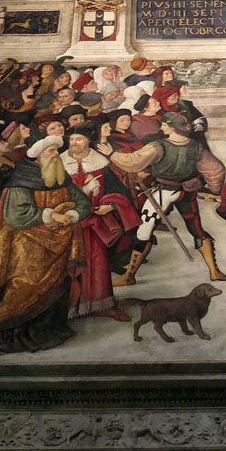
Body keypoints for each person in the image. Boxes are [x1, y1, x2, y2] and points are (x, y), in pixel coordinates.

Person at [0, 135, 91, 353]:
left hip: (58, 247)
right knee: (21, 289)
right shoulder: (22, 179)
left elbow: (83, 203)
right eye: (51, 151)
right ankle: (12, 335)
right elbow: (16, 215)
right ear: (37, 155)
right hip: (26, 247)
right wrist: (52, 216)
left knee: (55, 289)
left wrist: (71, 215)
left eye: (56, 150)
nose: (56, 155)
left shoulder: (61, 176)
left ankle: (47, 331)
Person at [101, 113, 226, 284]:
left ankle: (129, 276)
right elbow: (216, 169)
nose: (161, 128)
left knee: (143, 232)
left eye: (164, 125)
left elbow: (132, 162)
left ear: (171, 127)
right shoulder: (195, 146)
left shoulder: (158, 146)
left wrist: (111, 154)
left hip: (162, 193)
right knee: (197, 230)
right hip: (186, 193)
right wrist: (215, 190)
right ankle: (214, 271)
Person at [60, 127, 139, 322]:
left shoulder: (102, 165)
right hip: (66, 223)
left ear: (88, 141)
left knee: (97, 264)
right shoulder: (59, 163)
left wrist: (110, 206)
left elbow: (121, 194)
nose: (74, 143)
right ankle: (67, 308)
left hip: (95, 224)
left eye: (79, 139)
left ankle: (100, 305)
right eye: (72, 139)